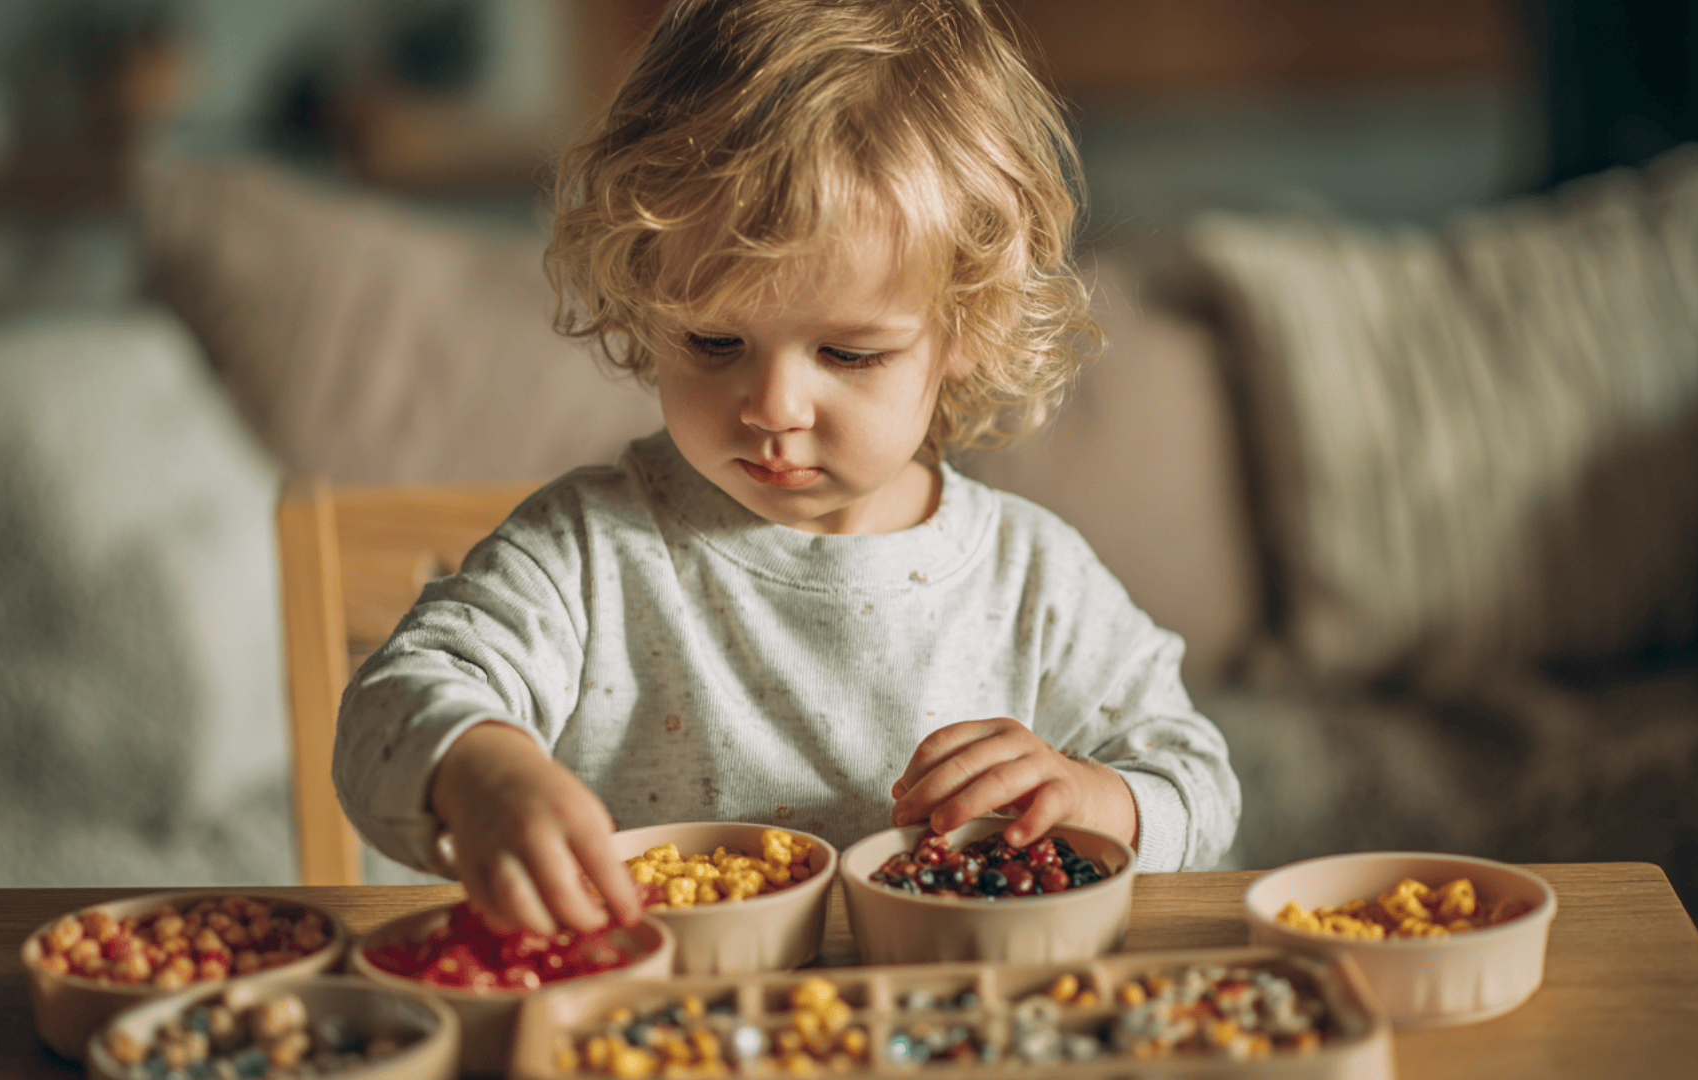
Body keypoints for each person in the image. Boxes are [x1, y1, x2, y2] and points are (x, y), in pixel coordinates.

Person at [333, 0, 1239, 936]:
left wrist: (1096, 800)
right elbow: (386, 711)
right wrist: (481, 769)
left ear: (969, 327)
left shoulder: (1032, 582)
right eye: (715, 339)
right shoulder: (586, 558)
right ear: (648, 298)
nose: (772, 408)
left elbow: (1200, 783)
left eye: (848, 355)